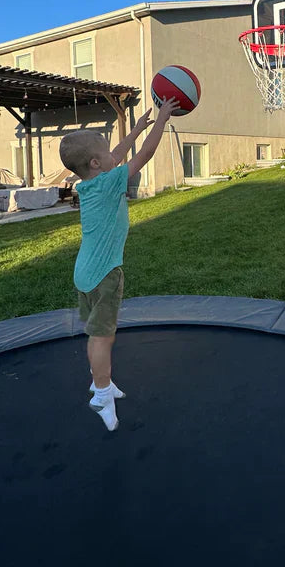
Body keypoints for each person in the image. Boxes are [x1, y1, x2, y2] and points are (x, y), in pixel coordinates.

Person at [59, 98, 178, 430]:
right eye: (108, 152)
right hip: (104, 275)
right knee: (103, 338)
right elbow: (145, 156)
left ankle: (102, 381)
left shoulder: (91, 183)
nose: (115, 155)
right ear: (97, 163)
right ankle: (100, 394)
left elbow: (113, 157)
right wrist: (160, 121)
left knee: (98, 335)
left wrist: (137, 128)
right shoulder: (109, 181)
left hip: (85, 273)